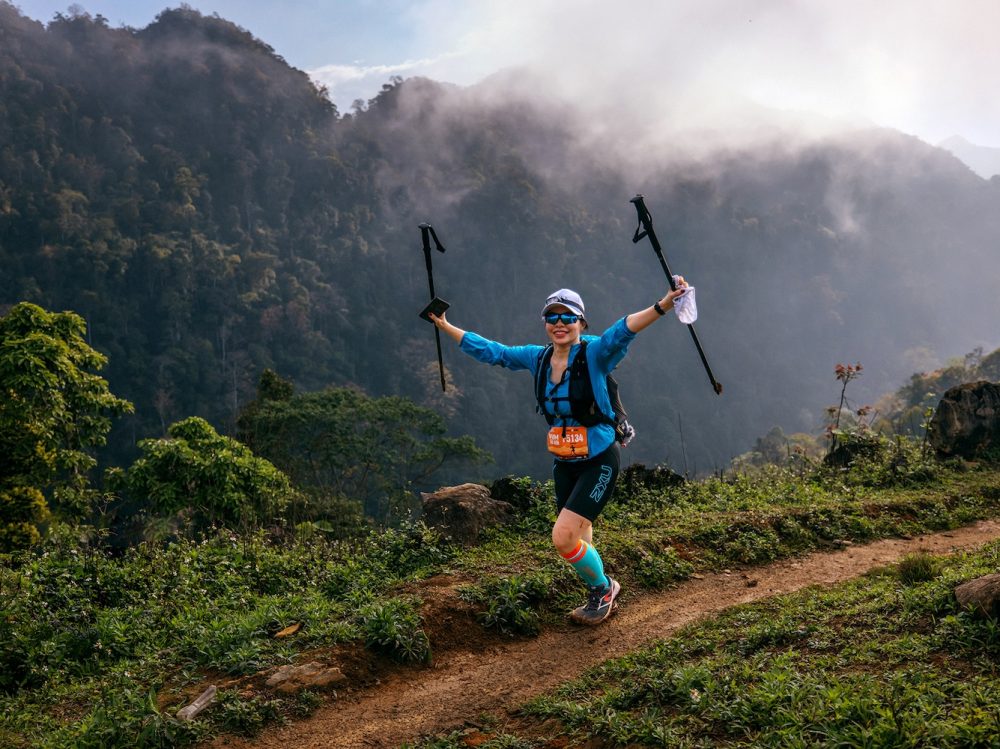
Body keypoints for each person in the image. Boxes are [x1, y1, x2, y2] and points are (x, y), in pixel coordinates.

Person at [430, 281, 689, 625]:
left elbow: (623, 330)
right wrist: (446, 326)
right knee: (580, 535)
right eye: (552, 317)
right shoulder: (538, 358)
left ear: (582, 322)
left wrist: (665, 304)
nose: (560, 323)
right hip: (565, 462)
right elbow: (494, 352)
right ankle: (598, 587)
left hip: (599, 460)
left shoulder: (594, 354)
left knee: (563, 537)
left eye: (568, 316)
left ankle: (604, 588)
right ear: (545, 324)